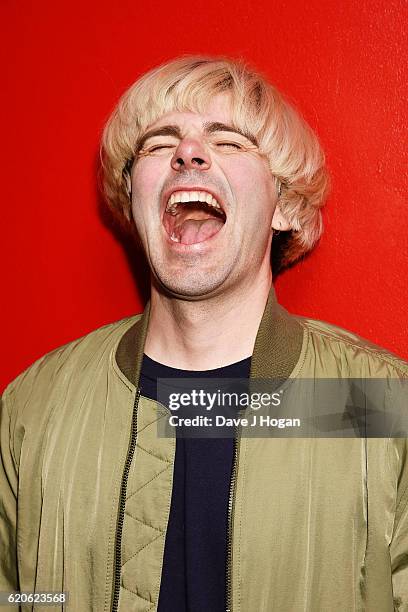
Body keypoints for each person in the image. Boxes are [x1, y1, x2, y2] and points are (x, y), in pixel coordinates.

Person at [1, 56, 407, 612]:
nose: (187, 153)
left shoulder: (382, 405)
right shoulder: (32, 408)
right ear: (134, 197)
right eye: (158, 141)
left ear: (284, 204)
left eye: (230, 141)